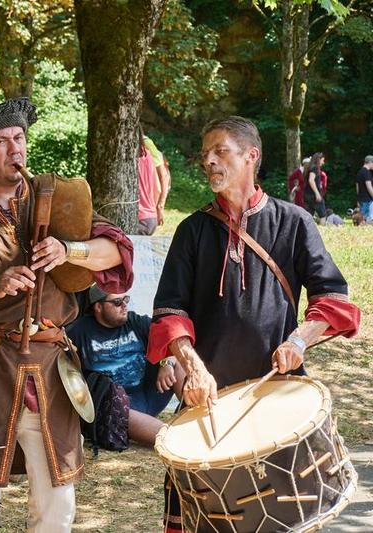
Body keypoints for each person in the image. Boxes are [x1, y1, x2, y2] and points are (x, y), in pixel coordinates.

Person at [0, 97, 133, 533]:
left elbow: (116, 250)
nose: (14, 148)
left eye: (19, 137)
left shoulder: (54, 196)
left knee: (58, 498)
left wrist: (67, 250)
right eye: (0, 141)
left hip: (51, 366)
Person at [146, 116, 361, 532]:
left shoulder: (294, 221)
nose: (208, 160)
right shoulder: (192, 231)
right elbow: (169, 313)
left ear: (251, 156)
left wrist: (299, 340)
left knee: (285, 519)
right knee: (203, 522)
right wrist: (192, 367)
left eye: (220, 151)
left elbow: (334, 301)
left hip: (277, 396)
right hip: (206, 400)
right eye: (205, 152)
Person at [67, 286, 184, 447]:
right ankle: (183, 440)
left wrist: (167, 363)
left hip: (148, 393)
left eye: (126, 299)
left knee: (180, 363)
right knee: (173, 440)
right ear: (98, 306)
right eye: (117, 302)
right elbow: (64, 369)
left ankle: (200, 416)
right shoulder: (79, 332)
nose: (124, 305)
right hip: (114, 406)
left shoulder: (134, 321)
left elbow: (170, 338)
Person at [138, 132, 170, 235]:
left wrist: (160, 206)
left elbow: (163, 176)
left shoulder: (146, 145)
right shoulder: (147, 156)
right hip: (150, 217)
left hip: (142, 217)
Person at [304, 151, 328, 224]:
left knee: (309, 215)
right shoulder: (314, 168)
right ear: (319, 159)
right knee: (323, 214)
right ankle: (323, 231)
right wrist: (317, 193)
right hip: (313, 195)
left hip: (307, 194)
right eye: (323, 160)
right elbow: (311, 180)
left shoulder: (309, 167)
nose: (323, 163)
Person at [355, 155, 373, 222]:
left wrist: (358, 198)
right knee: (366, 219)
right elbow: (369, 187)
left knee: (361, 218)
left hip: (361, 199)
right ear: (370, 162)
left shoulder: (359, 172)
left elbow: (357, 187)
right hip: (367, 200)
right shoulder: (367, 173)